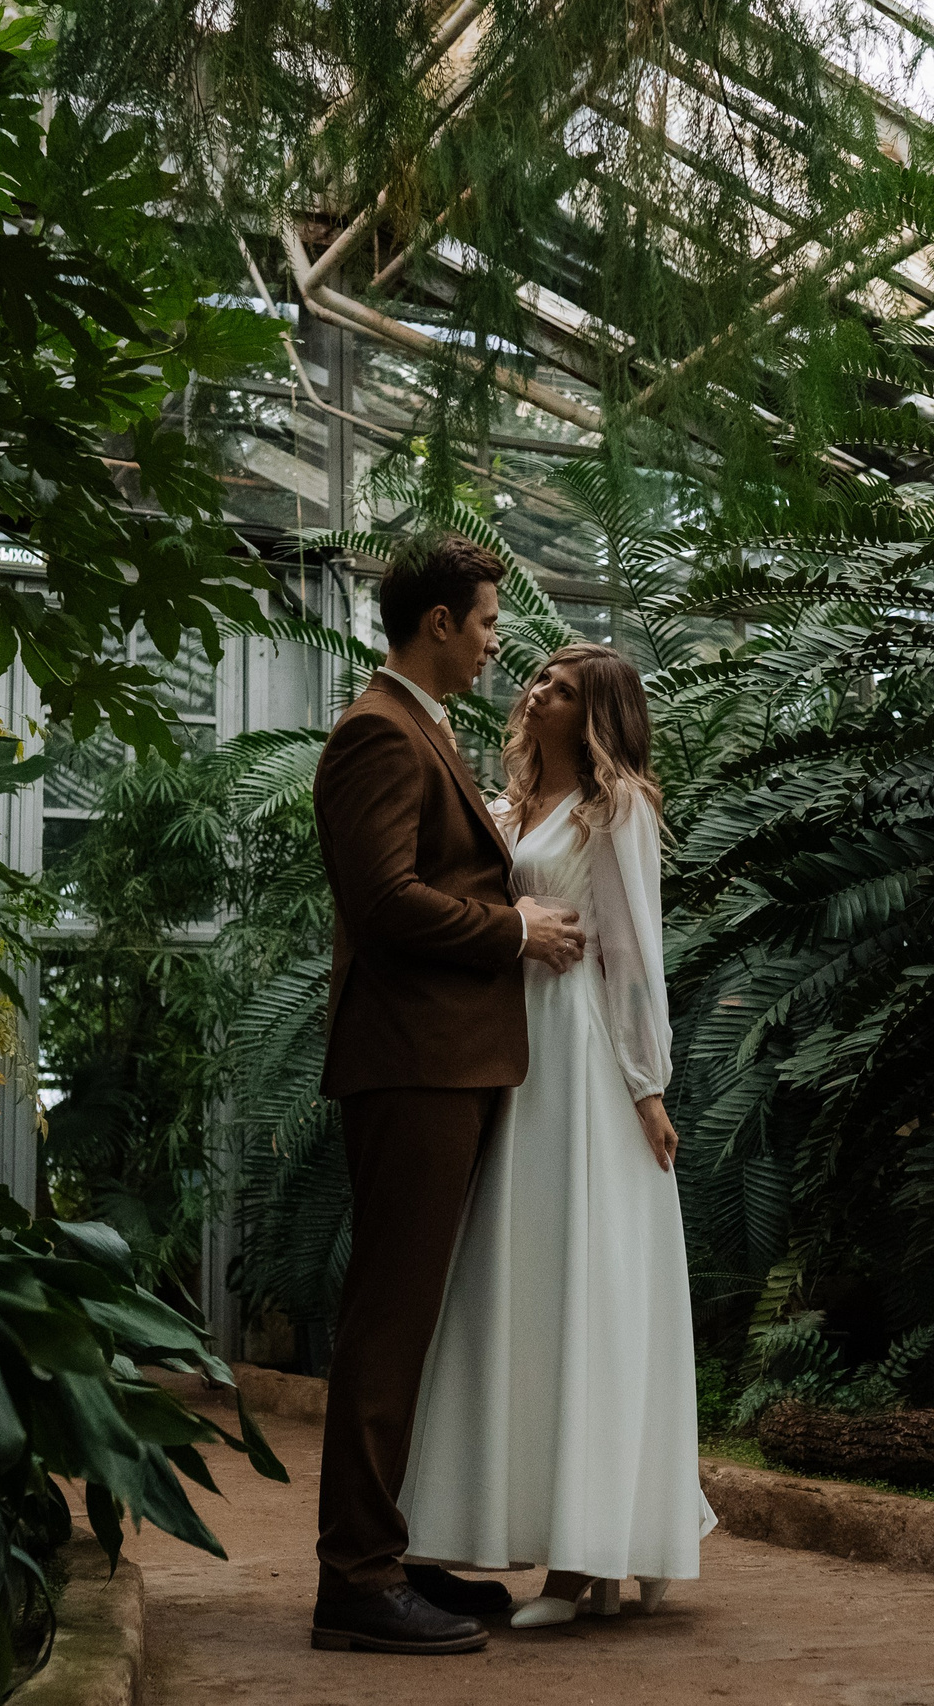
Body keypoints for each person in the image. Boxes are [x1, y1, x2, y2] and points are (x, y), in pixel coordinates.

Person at [307, 534, 588, 1656]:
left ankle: (404, 1552)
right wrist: (514, 928)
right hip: (412, 1063)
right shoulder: (377, 733)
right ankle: (355, 1580)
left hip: (450, 1062)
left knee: (421, 1319)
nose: (492, 639)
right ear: (435, 622)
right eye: (482, 621)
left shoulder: (420, 726)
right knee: (388, 1319)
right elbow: (384, 903)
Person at [397, 641, 716, 1626]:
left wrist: (646, 1085)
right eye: (536, 676)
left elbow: (631, 956)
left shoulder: (611, 811)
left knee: (586, 1285)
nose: (535, 689)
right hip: (510, 1058)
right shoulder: (504, 807)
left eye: (562, 687)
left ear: (595, 714)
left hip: (581, 1062)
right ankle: (544, 1538)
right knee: (520, 1288)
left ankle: (588, 1568)